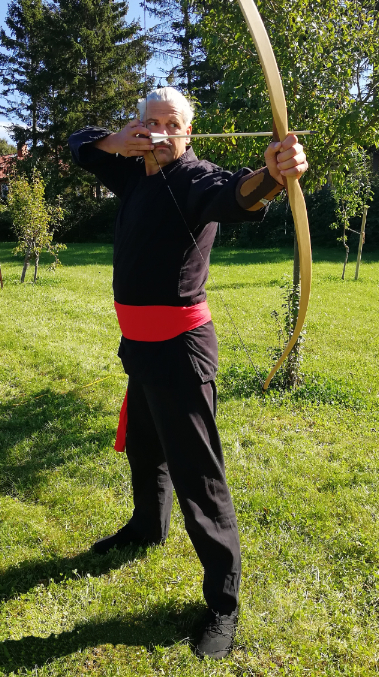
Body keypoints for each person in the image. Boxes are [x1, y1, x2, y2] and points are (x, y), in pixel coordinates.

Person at [68, 86, 308, 659]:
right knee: (145, 447)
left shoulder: (196, 177)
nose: (159, 131)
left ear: (188, 131)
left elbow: (238, 194)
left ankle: (223, 603)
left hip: (180, 350)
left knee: (199, 476)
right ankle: (146, 527)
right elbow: (79, 145)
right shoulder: (132, 171)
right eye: (149, 122)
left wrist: (274, 174)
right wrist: (115, 141)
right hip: (139, 346)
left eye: (170, 123)